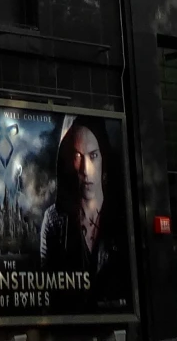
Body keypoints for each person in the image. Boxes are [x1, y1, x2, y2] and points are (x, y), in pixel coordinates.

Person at [38, 118, 122, 291]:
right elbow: (47, 285)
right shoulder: (54, 220)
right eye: (77, 156)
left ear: (103, 159)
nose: (86, 169)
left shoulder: (121, 215)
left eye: (93, 156)